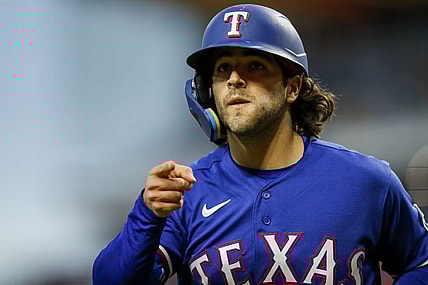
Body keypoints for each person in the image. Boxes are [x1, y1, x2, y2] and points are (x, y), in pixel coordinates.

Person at [93, 4, 428, 285]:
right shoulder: (187, 193)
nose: (235, 80)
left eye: (255, 66)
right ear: (208, 92)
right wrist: (148, 215)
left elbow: (421, 263)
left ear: (293, 87)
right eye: (223, 69)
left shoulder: (365, 181)